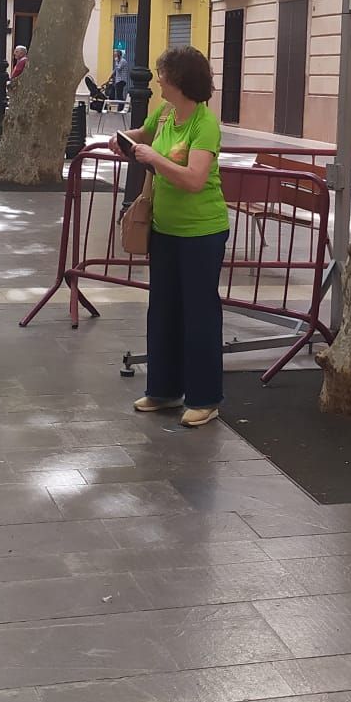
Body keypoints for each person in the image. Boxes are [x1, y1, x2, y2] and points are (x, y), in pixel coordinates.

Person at [122, 45, 230, 427]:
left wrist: (154, 158)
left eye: (161, 74)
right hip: (165, 230)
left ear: (180, 80)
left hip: (202, 233)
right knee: (163, 309)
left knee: (199, 314)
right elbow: (143, 134)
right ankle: (163, 389)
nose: (157, 80)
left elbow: (195, 179)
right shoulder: (165, 112)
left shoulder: (205, 124)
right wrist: (125, 141)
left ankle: (204, 398)